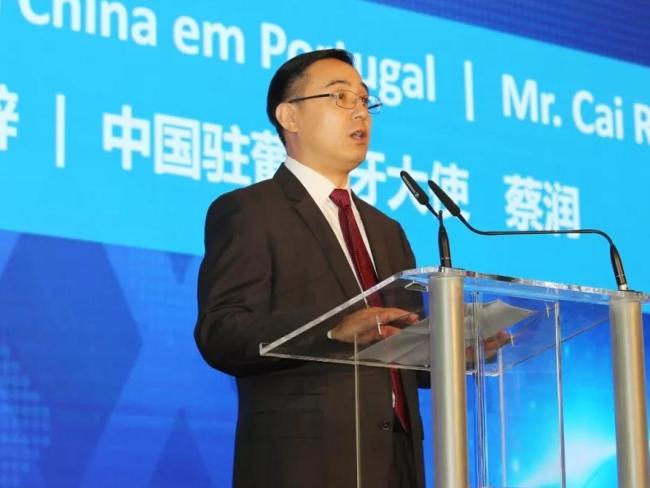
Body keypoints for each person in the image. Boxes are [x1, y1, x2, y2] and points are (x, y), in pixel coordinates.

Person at [195, 49, 425, 488]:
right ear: (289, 116)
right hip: (304, 464)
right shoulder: (250, 211)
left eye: (364, 99)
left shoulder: (387, 230)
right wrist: (331, 331)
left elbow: (402, 348)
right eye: (341, 97)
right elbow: (221, 333)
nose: (360, 111)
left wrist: (456, 352)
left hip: (397, 463)